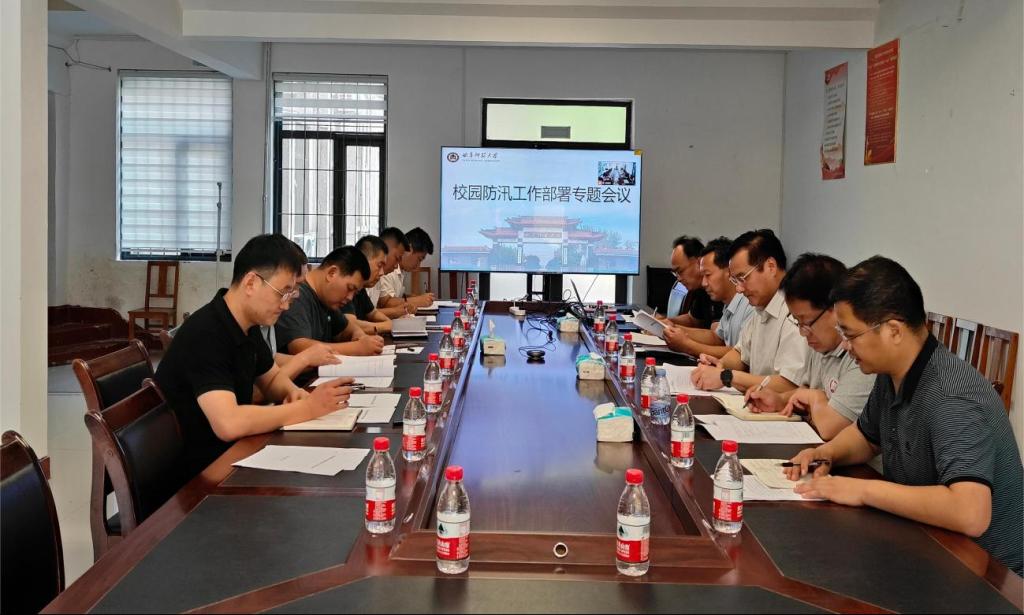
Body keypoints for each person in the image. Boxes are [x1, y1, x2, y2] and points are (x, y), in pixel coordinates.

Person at [786, 256, 1022, 575]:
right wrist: (827, 453)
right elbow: (866, 437)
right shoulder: (891, 372)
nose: (845, 345)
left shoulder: (952, 395)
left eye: (851, 335)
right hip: (927, 545)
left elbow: (970, 513)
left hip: (988, 575)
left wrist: (862, 491)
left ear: (894, 331)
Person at [154, 234, 353, 477]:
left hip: (231, 455)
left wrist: (296, 393)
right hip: (197, 475)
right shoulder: (206, 331)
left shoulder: (247, 325)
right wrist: (307, 408)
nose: (286, 305)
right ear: (251, 283)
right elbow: (228, 423)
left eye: (291, 295)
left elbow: (271, 380)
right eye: (283, 293)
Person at [744, 254, 876, 440]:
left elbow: (830, 427)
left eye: (806, 322)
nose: (802, 333)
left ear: (836, 309)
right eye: (797, 322)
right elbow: (803, 391)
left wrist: (815, 398)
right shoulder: (819, 344)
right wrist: (779, 400)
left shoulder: (861, 355)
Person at [690, 229, 805, 393]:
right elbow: (741, 353)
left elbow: (788, 385)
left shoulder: (797, 311)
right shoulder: (762, 306)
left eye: (743, 278)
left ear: (771, 266)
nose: (739, 289)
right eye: (735, 280)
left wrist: (726, 376)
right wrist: (719, 365)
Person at [275, 245, 385, 362]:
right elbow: (299, 347)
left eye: (355, 293)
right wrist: (357, 348)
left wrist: (360, 336)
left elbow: (346, 329)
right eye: (349, 288)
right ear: (332, 273)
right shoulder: (297, 295)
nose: (350, 297)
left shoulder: (326, 300)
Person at [663, 237, 755, 358]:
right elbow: (716, 338)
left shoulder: (750, 305)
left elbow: (739, 355)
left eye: (708, 275)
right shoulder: (729, 303)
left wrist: (687, 345)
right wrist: (673, 328)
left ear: (729, 270)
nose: (704, 283)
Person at [343, 235, 405, 334]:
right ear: (363, 261)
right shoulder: (346, 286)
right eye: (379, 265)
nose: (382, 273)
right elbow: (350, 326)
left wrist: (391, 324)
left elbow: (373, 313)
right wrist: (388, 326)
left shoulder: (361, 288)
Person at [662, 236, 722, 329]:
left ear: (698, 262)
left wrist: (672, 329)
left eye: (680, 271)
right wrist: (666, 322)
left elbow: (716, 335)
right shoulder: (699, 289)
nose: (678, 279)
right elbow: (693, 319)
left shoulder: (718, 289)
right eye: (675, 273)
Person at [378, 227, 435, 309]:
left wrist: (413, 299)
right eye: (419, 259)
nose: (418, 265)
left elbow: (395, 298)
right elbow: (386, 304)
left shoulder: (401, 270)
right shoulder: (388, 268)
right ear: (410, 249)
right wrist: (417, 300)